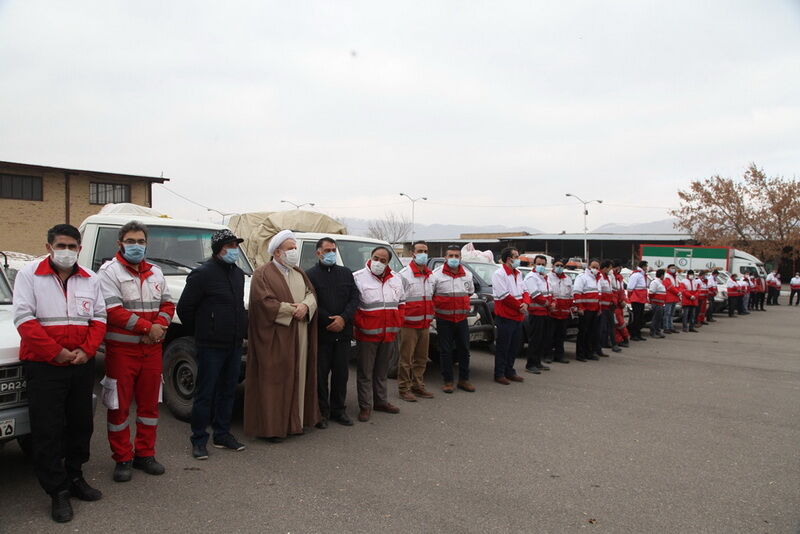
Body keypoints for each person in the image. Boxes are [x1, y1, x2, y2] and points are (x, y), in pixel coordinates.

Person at [13, 224, 106, 523]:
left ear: (80, 248)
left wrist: (87, 351)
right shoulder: (29, 274)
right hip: (44, 365)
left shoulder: (91, 278)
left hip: (80, 364)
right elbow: (24, 318)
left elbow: (99, 318)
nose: (67, 251)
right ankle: (57, 491)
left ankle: (75, 476)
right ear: (49, 246)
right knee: (48, 429)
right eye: (61, 245)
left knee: (81, 424)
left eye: (72, 246)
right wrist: (55, 352)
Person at [99, 221, 174, 482]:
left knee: (149, 406)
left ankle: (145, 454)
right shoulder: (109, 272)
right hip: (122, 352)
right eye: (130, 241)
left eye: (141, 241)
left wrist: (160, 326)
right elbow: (113, 310)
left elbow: (167, 303)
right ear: (120, 244)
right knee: (118, 408)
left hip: (152, 351)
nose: (136, 246)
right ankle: (122, 458)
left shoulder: (156, 272)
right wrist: (147, 329)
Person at [177, 229, 247, 460]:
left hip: (234, 343)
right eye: (231, 246)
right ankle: (198, 439)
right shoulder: (202, 274)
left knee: (228, 391)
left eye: (236, 246)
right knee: (205, 393)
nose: (235, 250)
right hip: (210, 345)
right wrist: (203, 330)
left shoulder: (237, 274)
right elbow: (185, 308)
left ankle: (222, 434)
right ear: (219, 249)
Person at [244, 230, 320, 441]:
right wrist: (290, 310)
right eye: (290, 248)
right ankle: (273, 428)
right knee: (275, 380)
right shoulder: (262, 274)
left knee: (298, 375)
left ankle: (296, 422)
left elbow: (310, 294)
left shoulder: (298, 272)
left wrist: (306, 305)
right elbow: (262, 303)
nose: (294, 252)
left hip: (300, 334)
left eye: (294, 248)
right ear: (277, 252)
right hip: (276, 337)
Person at [306, 237, 359, 427]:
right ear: (318, 252)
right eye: (327, 250)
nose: (331, 254)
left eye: (333, 250)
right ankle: (322, 412)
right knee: (320, 376)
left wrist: (343, 318)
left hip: (343, 333)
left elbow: (355, 298)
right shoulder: (310, 275)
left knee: (341, 374)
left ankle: (339, 410)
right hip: (323, 334)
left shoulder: (346, 273)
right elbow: (310, 302)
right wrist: (330, 320)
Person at [353, 246, 405, 421]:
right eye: (376, 258)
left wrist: (397, 324)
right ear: (371, 257)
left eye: (383, 260)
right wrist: (361, 325)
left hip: (388, 334)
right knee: (365, 373)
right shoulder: (358, 278)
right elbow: (353, 307)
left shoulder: (396, 279)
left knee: (382, 371)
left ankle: (381, 401)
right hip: (367, 335)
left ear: (388, 262)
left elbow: (402, 304)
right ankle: (365, 406)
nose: (378, 262)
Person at [431, 245, 476, 392]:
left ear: (461, 258)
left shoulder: (467, 275)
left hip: (461, 319)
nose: (454, 259)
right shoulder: (436, 275)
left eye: (457, 256)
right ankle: (448, 381)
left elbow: (469, 293)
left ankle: (464, 380)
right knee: (445, 351)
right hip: (444, 319)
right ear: (445, 257)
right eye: (451, 256)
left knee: (464, 349)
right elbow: (431, 295)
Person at [397, 241, 435, 400]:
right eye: (420, 251)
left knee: (421, 358)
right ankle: (404, 388)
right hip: (408, 325)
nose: (423, 254)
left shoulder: (430, 275)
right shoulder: (404, 275)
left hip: (425, 324)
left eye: (425, 251)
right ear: (413, 253)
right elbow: (399, 299)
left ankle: (418, 385)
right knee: (406, 359)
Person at [491, 247, 529, 383]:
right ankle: (499, 373)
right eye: (516, 256)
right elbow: (504, 295)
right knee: (503, 347)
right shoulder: (499, 274)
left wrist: (526, 303)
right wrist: (520, 306)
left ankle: (510, 371)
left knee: (514, 346)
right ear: (509, 259)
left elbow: (525, 291)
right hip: (506, 316)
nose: (518, 259)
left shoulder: (518, 273)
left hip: (518, 316)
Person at [523, 255, 552, 374]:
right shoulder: (531, 277)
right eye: (538, 264)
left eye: (543, 264)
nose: (541, 266)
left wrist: (551, 302)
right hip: (536, 313)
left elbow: (549, 292)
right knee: (535, 339)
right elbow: (535, 295)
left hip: (545, 312)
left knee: (542, 339)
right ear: (534, 264)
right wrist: (548, 303)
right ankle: (530, 364)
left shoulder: (544, 277)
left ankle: (538, 362)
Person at [573, 259, 601, 362]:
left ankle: (589, 353)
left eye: (597, 268)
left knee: (592, 333)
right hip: (585, 310)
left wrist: (599, 308)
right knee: (583, 333)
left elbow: (598, 296)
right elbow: (577, 293)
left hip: (594, 310)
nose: (595, 269)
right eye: (593, 267)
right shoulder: (582, 277)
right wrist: (580, 307)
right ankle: (580, 354)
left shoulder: (597, 278)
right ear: (589, 267)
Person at [546, 259, 572, 364]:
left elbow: (570, 295)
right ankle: (547, 355)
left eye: (561, 265)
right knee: (549, 335)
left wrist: (571, 307)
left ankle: (559, 355)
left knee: (561, 336)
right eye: (557, 265)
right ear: (553, 266)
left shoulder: (568, 279)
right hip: (552, 312)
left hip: (564, 313)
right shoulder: (547, 277)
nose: (560, 267)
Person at [597, 260, 617, 355]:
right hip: (603, 307)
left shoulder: (607, 277)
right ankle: (599, 348)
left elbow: (610, 291)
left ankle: (613, 344)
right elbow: (600, 293)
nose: (611, 270)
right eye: (610, 268)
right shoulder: (600, 277)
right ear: (605, 268)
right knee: (602, 328)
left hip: (608, 307)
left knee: (611, 326)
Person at [626, 260, 649, 341]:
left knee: (640, 318)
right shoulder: (636, 275)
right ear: (643, 266)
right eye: (646, 266)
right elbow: (630, 287)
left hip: (641, 299)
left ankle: (638, 333)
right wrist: (630, 298)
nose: (647, 268)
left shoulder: (642, 275)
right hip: (636, 299)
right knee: (636, 318)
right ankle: (633, 334)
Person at [611, 261, 631, 347]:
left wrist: (622, 300)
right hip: (615, 304)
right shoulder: (612, 277)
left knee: (620, 323)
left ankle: (624, 339)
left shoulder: (619, 278)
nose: (619, 269)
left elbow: (621, 291)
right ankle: (620, 340)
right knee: (617, 324)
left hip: (618, 305)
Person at [662, 264, 681, 334]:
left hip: (674, 298)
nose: (674, 269)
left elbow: (678, 285)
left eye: (675, 268)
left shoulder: (674, 277)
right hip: (669, 298)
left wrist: (678, 292)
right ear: (668, 268)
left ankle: (671, 327)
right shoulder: (667, 276)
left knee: (671, 314)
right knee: (667, 313)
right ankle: (666, 327)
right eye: (672, 268)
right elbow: (669, 286)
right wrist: (677, 292)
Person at [648, 269, 667, 338]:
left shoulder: (660, 282)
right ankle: (652, 332)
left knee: (659, 318)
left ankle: (657, 331)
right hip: (656, 303)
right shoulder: (655, 282)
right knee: (655, 318)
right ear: (661, 275)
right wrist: (652, 302)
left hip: (661, 304)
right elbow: (651, 293)